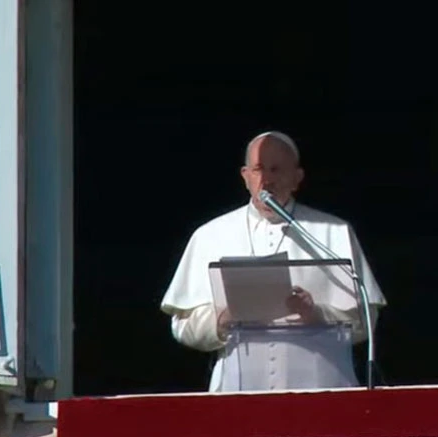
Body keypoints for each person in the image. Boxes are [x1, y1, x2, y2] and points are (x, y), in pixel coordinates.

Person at [160, 131, 387, 392]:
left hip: (321, 389)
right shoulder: (210, 235)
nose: (266, 180)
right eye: (258, 170)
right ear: (245, 176)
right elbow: (182, 326)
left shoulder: (333, 232)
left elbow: (366, 321)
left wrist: (316, 314)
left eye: (276, 169)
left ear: (297, 178)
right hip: (239, 393)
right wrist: (223, 319)